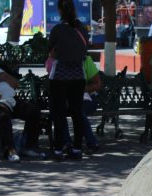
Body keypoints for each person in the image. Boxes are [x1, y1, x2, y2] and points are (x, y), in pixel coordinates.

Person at [0, 39, 44, 162]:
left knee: (33, 110)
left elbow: (15, 84)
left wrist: (5, 76)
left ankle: (29, 146)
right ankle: (9, 150)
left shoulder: (2, 67)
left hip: (11, 99)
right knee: (2, 115)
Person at [48, 0, 89, 161]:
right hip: (78, 76)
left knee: (59, 114)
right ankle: (77, 148)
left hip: (59, 76)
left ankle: (58, 150)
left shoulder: (57, 30)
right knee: (77, 113)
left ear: (59, 11)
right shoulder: (82, 29)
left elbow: (50, 49)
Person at [62, 56, 102, 154]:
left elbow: (97, 84)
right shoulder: (59, 60)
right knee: (59, 109)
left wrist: (80, 89)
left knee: (78, 111)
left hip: (87, 99)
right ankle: (67, 143)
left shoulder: (85, 60)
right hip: (67, 99)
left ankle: (92, 143)